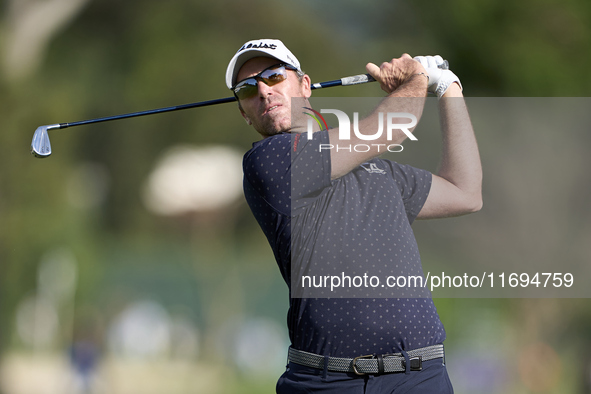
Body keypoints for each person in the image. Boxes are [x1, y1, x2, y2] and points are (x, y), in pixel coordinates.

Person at [225, 38, 482, 393]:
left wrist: (449, 87)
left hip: (421, 377)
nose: (264, 92)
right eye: (247, 88)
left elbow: (465, 191)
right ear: (243, 112)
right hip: (327, 381)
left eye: (273, 77)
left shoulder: (377, 170)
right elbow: (391, 125)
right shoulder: (267, 162)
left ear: (304, 85)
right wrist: (418, 78)